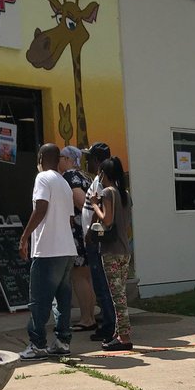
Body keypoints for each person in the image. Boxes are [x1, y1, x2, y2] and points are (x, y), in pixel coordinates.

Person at [17, 143, 77, 359]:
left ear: (41, 157)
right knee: (62, 299)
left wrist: (25, 237)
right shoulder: (64, 183)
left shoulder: (42, 178)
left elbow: (40, 208)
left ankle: (37, 344)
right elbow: (70, 219)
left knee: (39, 300)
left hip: (48, 249)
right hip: (67, 249)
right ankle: (62, 341)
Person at [89, 155, 134, 351]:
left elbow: (106, 221)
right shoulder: (124, 194)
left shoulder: (107, 192)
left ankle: (124, 337)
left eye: (100, 172)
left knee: (117, 297)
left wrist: (94, 205)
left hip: (111, 251)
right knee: (120, 293)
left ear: (104, 174)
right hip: (125, 250)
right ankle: (118, 333)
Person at [82, 142, 118, 344]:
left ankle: (109, 326)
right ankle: (111, 323)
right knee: (104, 284)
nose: (86, 161)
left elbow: (103, 210)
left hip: (97, 241)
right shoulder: (105, 179)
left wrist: (90, 232)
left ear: (97, 160)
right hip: (100, 241)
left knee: (101, 285)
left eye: (89, 157)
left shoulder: (100, 181)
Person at [58, 146, 97, 332]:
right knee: (87, 277)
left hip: (79, 232)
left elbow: (82, 202)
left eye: (60, 157)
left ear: (67, 159)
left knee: (79, 276)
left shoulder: (70, 178)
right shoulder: (85, 177)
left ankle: (87, 318)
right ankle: (90, 316)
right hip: (88, 231)